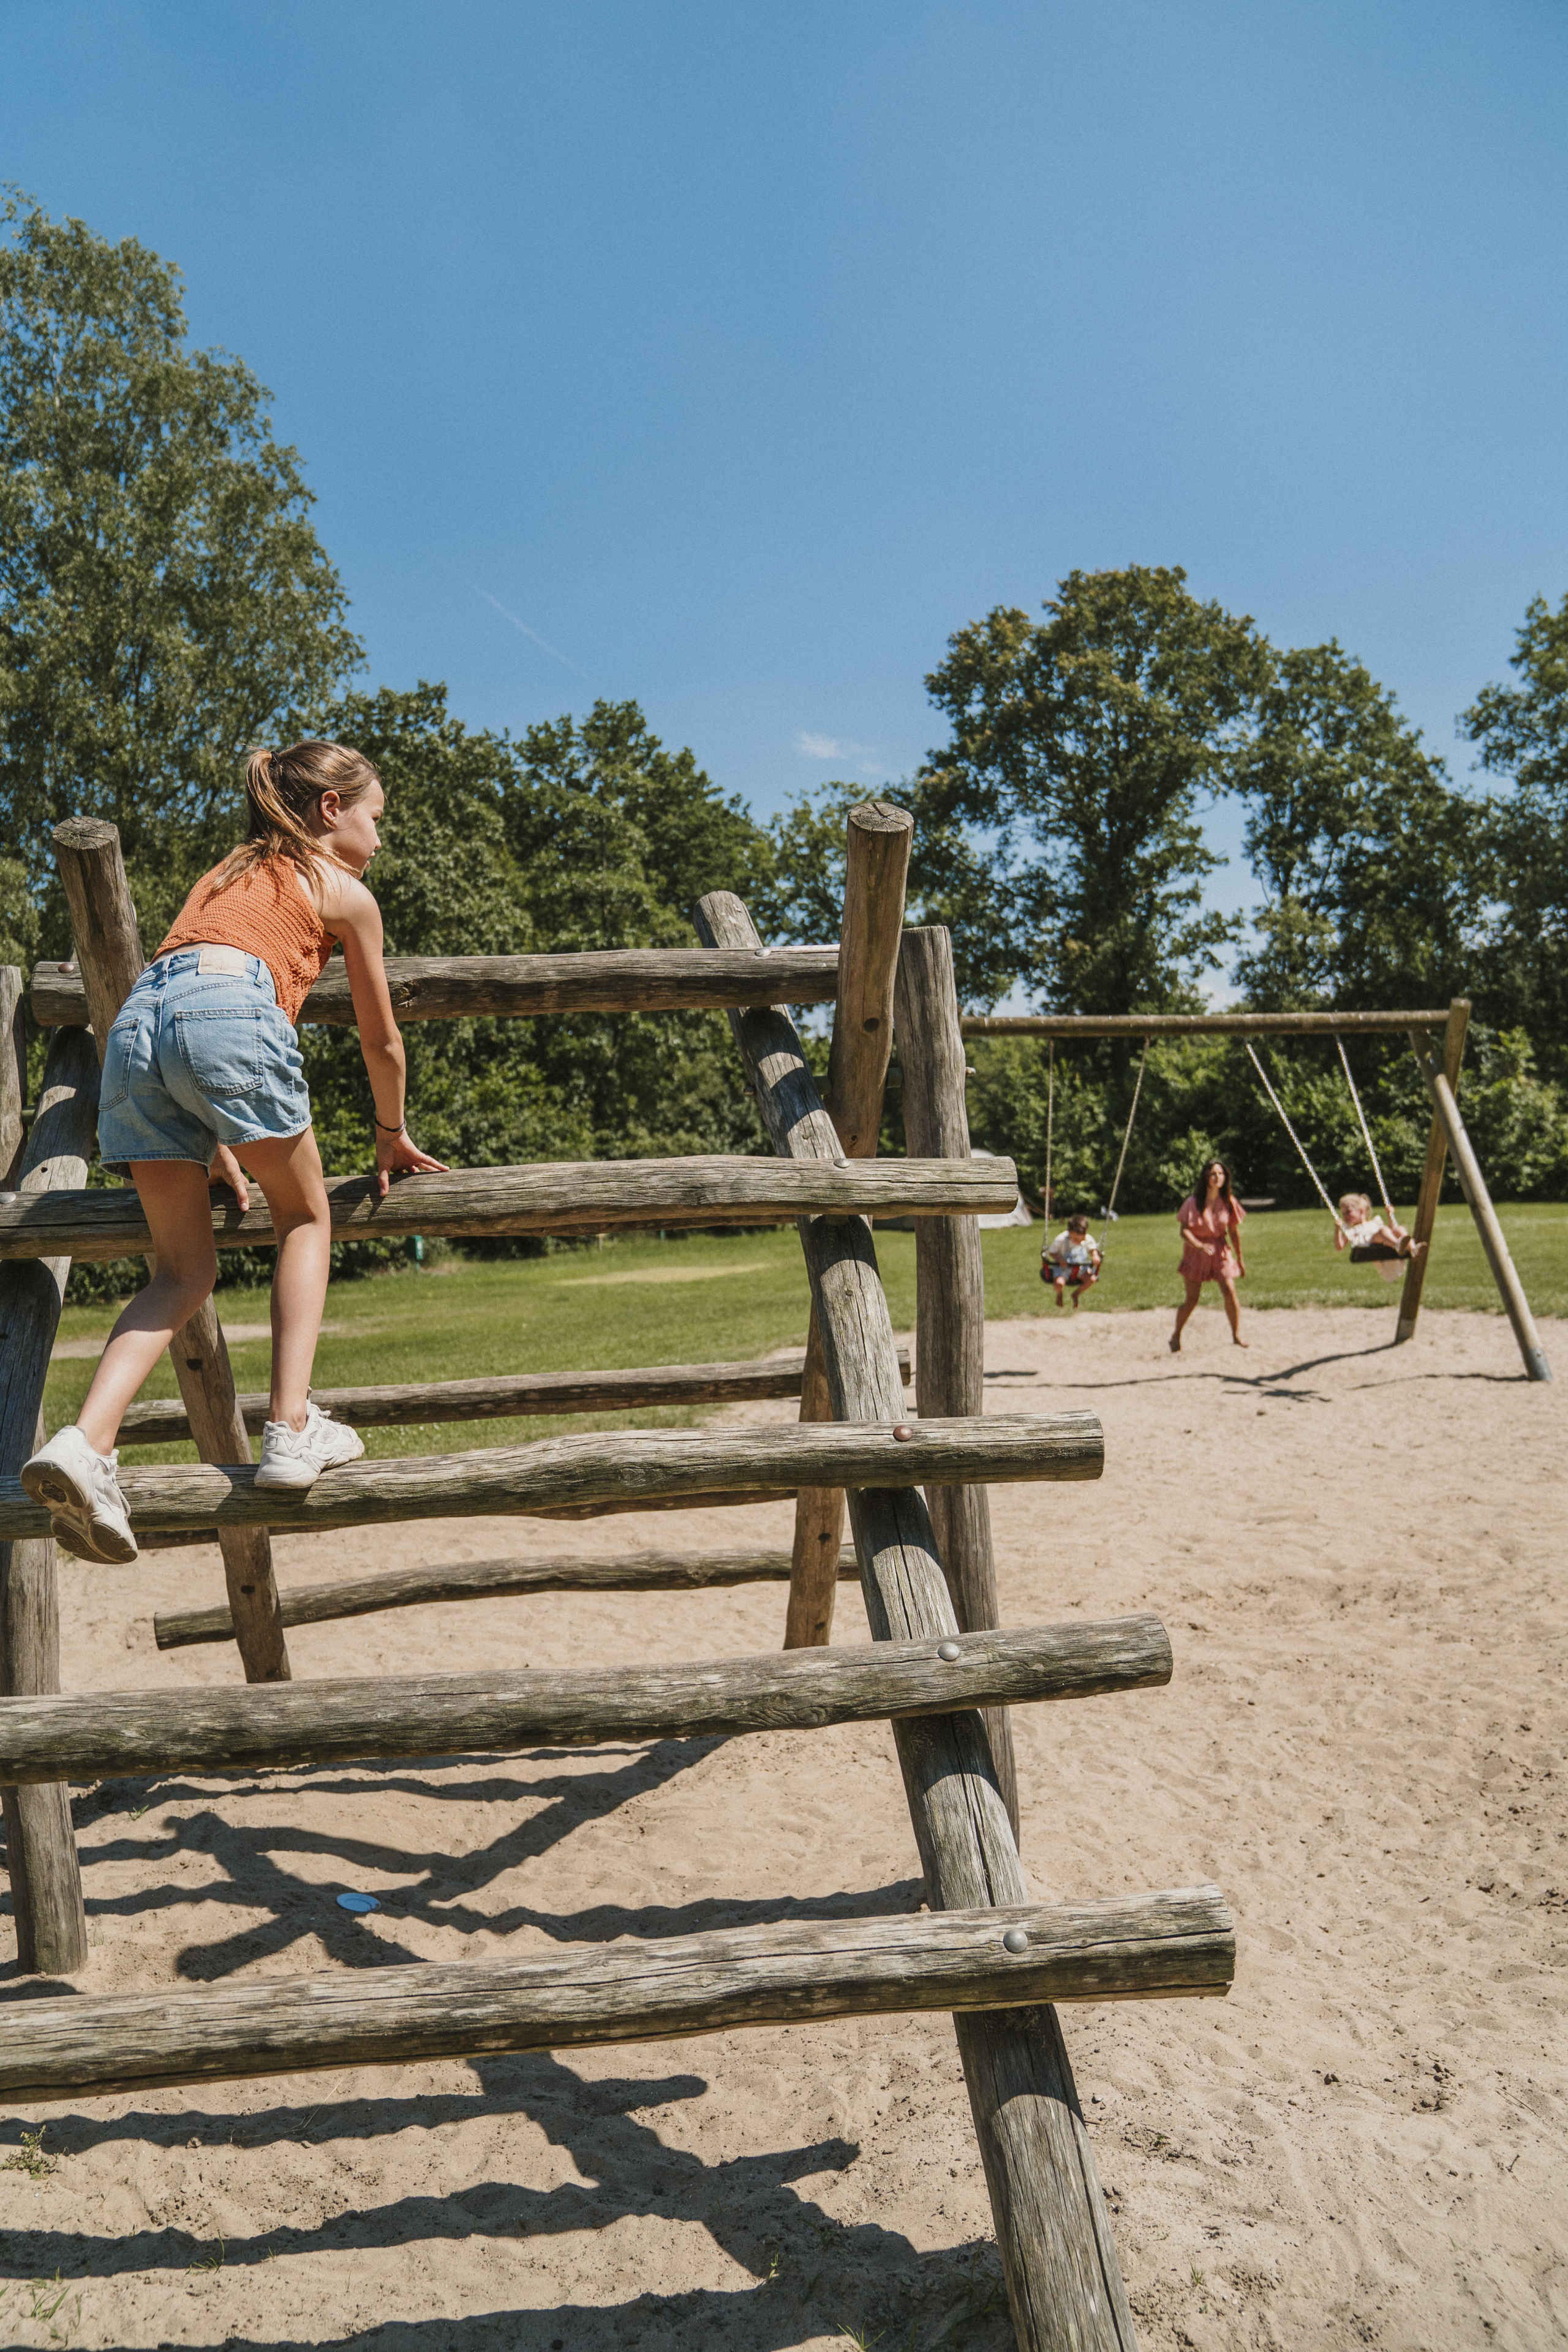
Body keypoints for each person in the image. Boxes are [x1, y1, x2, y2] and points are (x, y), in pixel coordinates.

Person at [22, 741, 447, 1564]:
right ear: (333, 810)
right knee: (305, 1217)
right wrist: (389, 1131)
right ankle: (290, 1427)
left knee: (182, 1272)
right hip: (224, 1016)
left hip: (139, 1033)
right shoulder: (345, 893)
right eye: (376, 817)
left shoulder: (223, 875)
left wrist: (210, 1132)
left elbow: (184, 999)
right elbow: (380, 1039)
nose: (381, 837)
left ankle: (86, 1442)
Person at [1170, 1157, 1248, 1352]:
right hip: (1196, 1252)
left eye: (1221, 1174)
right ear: (1206, 1176)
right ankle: (1176, 1335)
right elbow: (1184, 1231)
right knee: (1192, 1299)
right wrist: (1198, 1245)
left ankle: (1236, 1336)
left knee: (1230, 1291)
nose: (1217, 1177)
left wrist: (1240, 1259)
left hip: (1220, 1250)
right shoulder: (1193, 1202)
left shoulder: (1229, 1201)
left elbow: (1234, 1232)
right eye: (1213, 1173)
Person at [1334, 1191, 1425, 1263]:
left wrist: (1390, 1216)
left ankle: (1413, 1249)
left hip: (1383, 1240)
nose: (1345, 1216)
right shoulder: (1351, 1230)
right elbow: (1339, 1247)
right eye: (1343, 1213)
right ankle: (1398, 1245)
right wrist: (1338, 1229)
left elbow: (1393, 1230)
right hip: (1368, 1244)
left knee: (1399, 1229)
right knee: (1383, 1230)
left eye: (1348, 1212)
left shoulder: (1374, 1223)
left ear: (1361, 1211)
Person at [1041, 1214, 1102, 1309]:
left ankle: (1076, 1294)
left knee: (1092, 1279)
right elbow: (1052, 1253)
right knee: (1059, 1284)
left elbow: (1093, 1249)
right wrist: (1060, 1259)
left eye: (1081, 1239)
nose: (1078, 1242)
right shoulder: (1061, 1239)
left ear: (1086, 1233)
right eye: (1074, 1239)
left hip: (1081, 1268)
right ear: (1069, 1232)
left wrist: (1095, 1256)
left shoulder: (1088, 1239)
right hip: (1063, 1268)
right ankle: (1060, 1294)